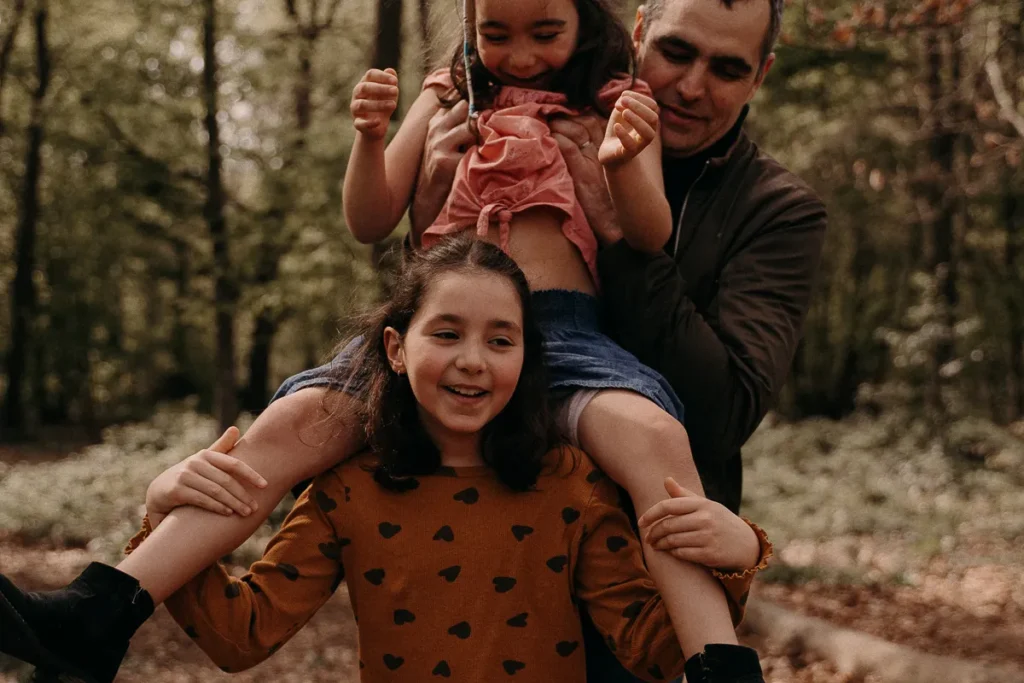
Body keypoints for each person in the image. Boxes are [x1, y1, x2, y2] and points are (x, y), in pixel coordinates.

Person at [0, 1, 775, 681]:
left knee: (654, 435)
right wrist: (370, 138)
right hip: (442, 328)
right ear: (468, 26)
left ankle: (720, 663)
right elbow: (370, 218)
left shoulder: (608, 100)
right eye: (495, 32)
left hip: (563, 332)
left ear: (587, 24)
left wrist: (624, 161)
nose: (524, 54)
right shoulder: (445, 96)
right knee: (283, 432)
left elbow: (648, 232)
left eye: (547, 32)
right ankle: (104, 606)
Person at [1, 238, 772, 683]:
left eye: (501, 340)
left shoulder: (569, 485)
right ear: (397, 349)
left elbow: (650, 648)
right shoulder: (347, 490)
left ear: (530, 359)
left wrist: (738, 560)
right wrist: (161, 511)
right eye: (447, 333)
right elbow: (244, 634)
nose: (473, 361)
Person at [411, 0, 828, 677]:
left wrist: (621, 238)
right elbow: (434, 335)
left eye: (727, 68)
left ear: (760, 76)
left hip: (638, 585)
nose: (692, 86)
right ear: (637, 36)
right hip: (483, 539)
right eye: (676, 53)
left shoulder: (776, 210)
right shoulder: (535, 119)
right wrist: (429, 202)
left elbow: (723, 410)